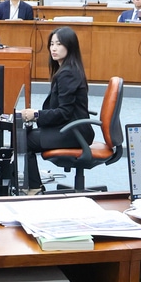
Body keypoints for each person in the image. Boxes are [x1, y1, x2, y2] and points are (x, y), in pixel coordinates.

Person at [15, 26, 93, 191]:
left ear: (70, 46)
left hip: (73, 132)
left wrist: (35, 114)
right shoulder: (67, 69)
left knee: (23, 140)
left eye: (59, 44)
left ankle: (34, 188)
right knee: (23, 135)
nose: (54, 48)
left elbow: (64, 113)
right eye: (51, 44)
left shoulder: (68, 73)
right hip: (72, 128)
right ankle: (33, 185)